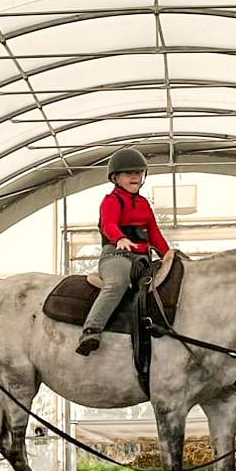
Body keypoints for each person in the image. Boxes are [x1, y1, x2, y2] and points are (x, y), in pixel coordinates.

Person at [76, 148, 171, 356]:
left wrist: (169, 256)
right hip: (116, 256)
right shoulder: (111, 201)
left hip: (142, 260)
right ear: (116, 178)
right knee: (117, 283)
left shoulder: (145, 204)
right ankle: (91, 329)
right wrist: (120, 238)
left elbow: (154, 234)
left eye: (138, 173)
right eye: (128, 173)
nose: (134, 177)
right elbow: (108, 224)